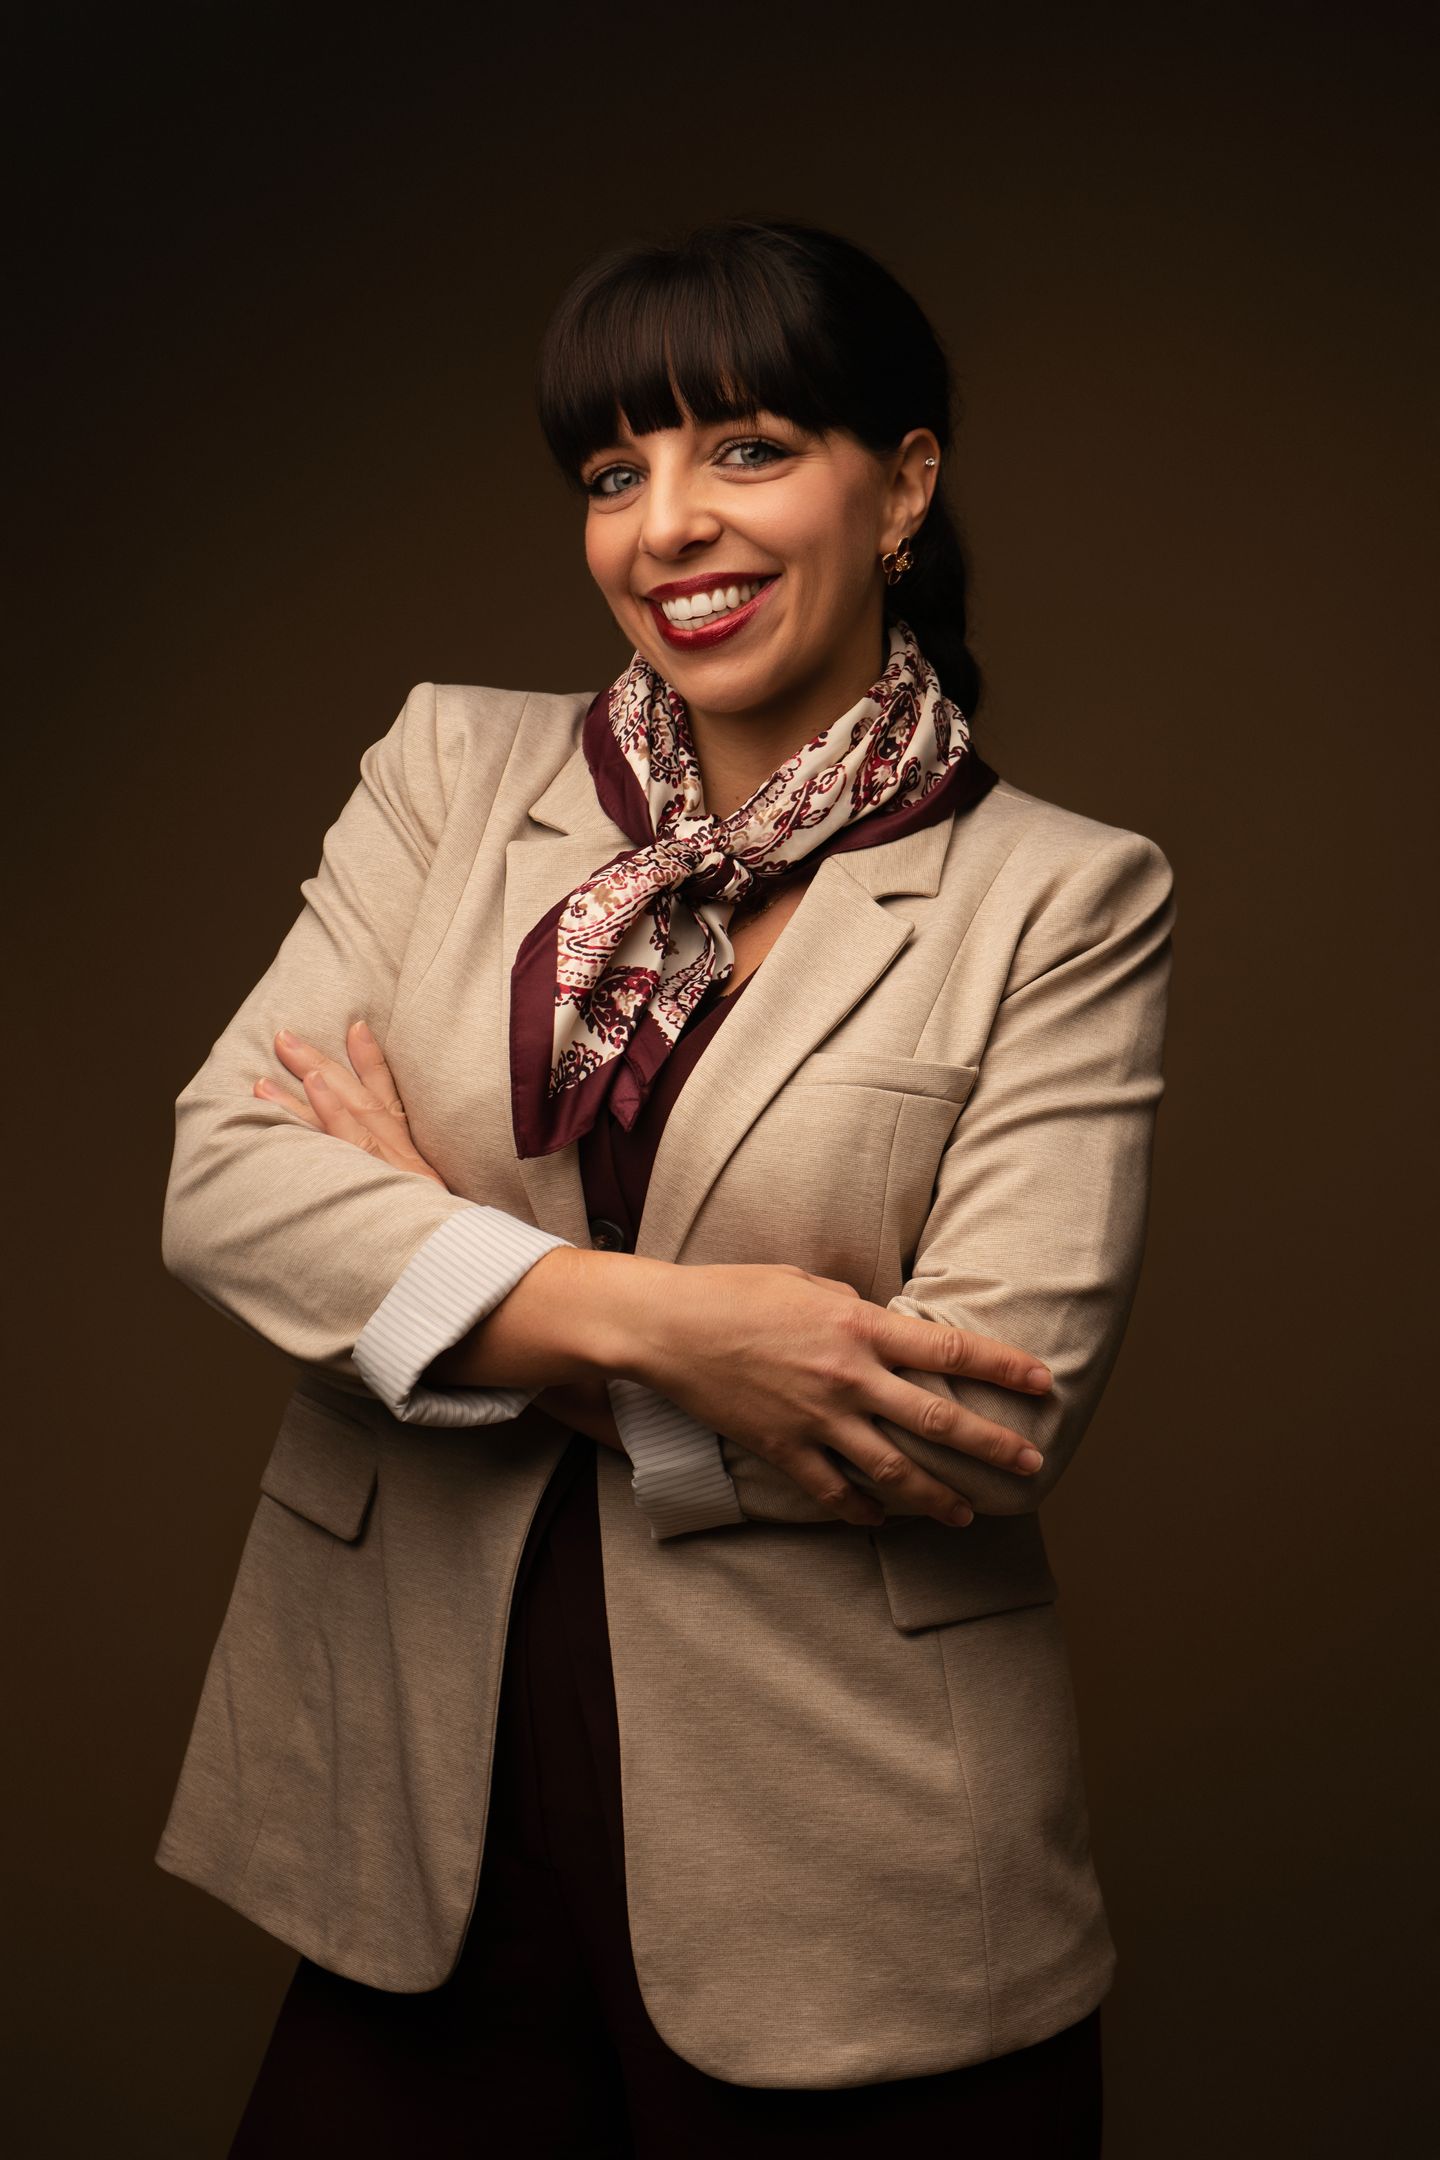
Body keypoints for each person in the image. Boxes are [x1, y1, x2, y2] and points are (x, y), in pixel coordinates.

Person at [156, 216, 1175, 2156]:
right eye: (614, 471)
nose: (667, 525)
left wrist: (436, 1274)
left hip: (848, 1856)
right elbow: (226, 1179)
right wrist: (684, 1338)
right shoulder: (451, 771)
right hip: (407, 1813)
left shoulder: (1063, 896)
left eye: (748, 448)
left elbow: (976, 1421)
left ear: (905, 487)